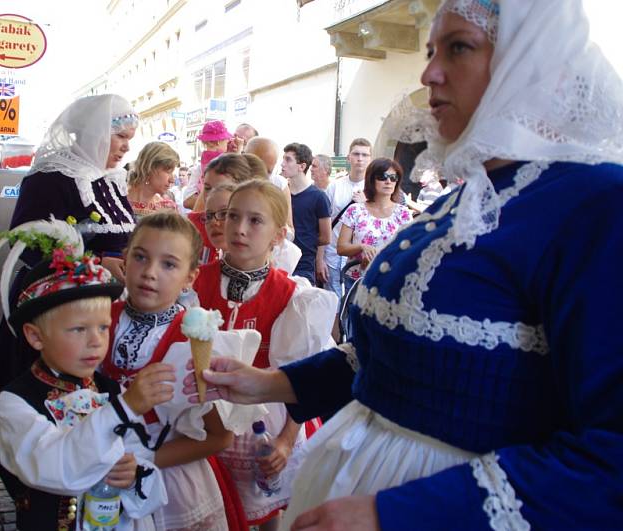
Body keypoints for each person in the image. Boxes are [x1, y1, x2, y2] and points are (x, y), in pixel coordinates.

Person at [187, 1, 623, 529]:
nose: (429, 73)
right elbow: (384, 359)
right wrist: (268, 382)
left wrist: (394, 512)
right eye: (430, 50)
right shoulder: (455, 206)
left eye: (458, 47)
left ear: (532, 61)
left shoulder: (594, 203)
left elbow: (610, 450)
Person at [0, 221, 172, 530]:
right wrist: (123, 410)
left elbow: (141, 456)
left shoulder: (111, 390)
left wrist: (134, 471)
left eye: (102, 327)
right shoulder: (14, 404)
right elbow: (55, 466)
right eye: (78, 329)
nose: (96, 341)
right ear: (35, 336)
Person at [0, 94, 139, 418]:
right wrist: (92, 260)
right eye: (120, 137)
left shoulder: (111, 181)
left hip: (101, 306)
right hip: (58, 307)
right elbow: (26, 241)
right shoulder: (50, 177)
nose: (126, 147)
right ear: (96, 133)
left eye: (129, 139)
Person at [193, 180, 338, 530]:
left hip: (265, 426)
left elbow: (302, 378)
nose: (239, 229)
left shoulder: (293, 296)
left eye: (255, 221)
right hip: (200, 423)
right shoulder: (194, 282)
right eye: (232, 216)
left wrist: (287, 440)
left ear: (278, 234)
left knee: (269, 516)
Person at [104, 212, 248, 530]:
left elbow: (219, 437)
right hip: (99, 469)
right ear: (124, 260)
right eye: (141, 257)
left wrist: (146, 459)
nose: (150, 273)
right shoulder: (98, 320)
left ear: (190, 277)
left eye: (169, 264)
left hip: (170, 479)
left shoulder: (193, 340)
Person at [336, 158, 412, 293]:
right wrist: (361, 247)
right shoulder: (355, 210)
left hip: (390, 280)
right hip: (357, 280)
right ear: (372, 180)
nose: (388, 181)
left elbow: (409, 249)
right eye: (382, 177)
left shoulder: (404, 213)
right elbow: (341, 248)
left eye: (393, 177)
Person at [322, 139, 372, 299]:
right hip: (332, 253)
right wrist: (319, 258)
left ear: (370, 159)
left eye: (365, 155)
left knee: (355, 302)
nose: (360, 159)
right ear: (348, 158)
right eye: (356, 154)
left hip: (361, 256)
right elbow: (325, 223)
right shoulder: (335, 186)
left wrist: (366, 203)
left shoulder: (375, 189)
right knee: (333, 303)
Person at [281, 143, 331, 285]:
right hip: (280, 261)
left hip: (304, 265)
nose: (282, 164)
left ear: (302, 166)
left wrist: (306, 243)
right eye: (283, 159)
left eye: (288, 160)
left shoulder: (318, 197)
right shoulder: (280, 194)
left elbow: (326, 237)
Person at [184, 120, 233, 210]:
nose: (228, 143)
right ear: (218, 142)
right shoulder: (222, 159)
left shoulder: (204, 159)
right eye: (226, 142)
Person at [127, 141, 180, 218]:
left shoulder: (167, 209)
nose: (172, 180)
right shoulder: (117, 201)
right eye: (168, 171)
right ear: (148, 168)